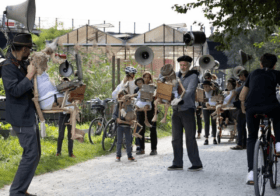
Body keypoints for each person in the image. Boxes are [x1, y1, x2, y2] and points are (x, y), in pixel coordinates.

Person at [1, 33, 40, 196]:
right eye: (29, 49)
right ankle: (16, 191)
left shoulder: (21, 63)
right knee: (31, 154)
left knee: (35, 154)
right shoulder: (8, 66)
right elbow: (14, 90)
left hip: (28, 114)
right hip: (20, 117)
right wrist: (30, 75)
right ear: (24, 48)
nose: (30, 52)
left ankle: (21, 189)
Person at [239, 53, 280, 185]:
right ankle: (279, 145)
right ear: (274, 65)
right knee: (278, 117)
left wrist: (244, 108)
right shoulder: (277, 73)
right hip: (271, 107)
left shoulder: (253, 73)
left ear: (261, 64)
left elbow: (242, 95)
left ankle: (251, 173)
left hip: (253, 109)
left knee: (251, 138)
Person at [168, 55, 203, 171]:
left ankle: (196, 163)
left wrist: (179, 99)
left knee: (190, 138)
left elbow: (190, 90)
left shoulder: (193, 76)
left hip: (187, 109)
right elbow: (171, 89)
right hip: (176, 110)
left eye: (185, 65)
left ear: (189, 65)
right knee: (175, 138)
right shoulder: (176, 75)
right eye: (181, 65)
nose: (182, 67)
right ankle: (177, 163)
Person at [134, 71, 158, 155]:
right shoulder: (137, 88)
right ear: (142, 78)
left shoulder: (153, 87)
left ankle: (154, 149)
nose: (147, 79)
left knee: (153, 129)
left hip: (151, 111)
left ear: (150, 78)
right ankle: (141, 148)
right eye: (145, 77)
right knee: (140, 129)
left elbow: (156, 98)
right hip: (140, 111)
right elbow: (136, 98)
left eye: (148, 77)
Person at [112, 90, 137, 162]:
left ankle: (129, 156)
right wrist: (116, 119)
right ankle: (118, 156)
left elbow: (134, 115)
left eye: (124, 96)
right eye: (120, 96)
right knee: (119, 141)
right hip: (120, 126)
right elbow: (114, 115)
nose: (122, 98)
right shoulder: (118, 105)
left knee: (128, 141)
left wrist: (133, 121)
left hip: (128, 126)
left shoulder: (131, 106)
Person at [230, 70, 249, 150]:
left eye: (239, 76)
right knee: (242, 125)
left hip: (244, 106)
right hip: (248, 105)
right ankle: (244, 144)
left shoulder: (246, 82)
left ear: (243, 76)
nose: (239, 78)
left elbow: (237, 92)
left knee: (240, 125)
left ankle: (240, 144)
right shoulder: (248, 81)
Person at [202, 80, 219, 145]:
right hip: (205, 108)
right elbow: (202, 100)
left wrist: (214, 86)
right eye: (204, 87)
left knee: (213, 122)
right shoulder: (203, 92)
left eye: (206, 86)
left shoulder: (214, 91)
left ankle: (214, 138)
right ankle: (206, 139)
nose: (205, 88)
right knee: (206, 122)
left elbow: (219, 92)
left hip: (213, 108)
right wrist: (205, 103)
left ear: (210, 86)